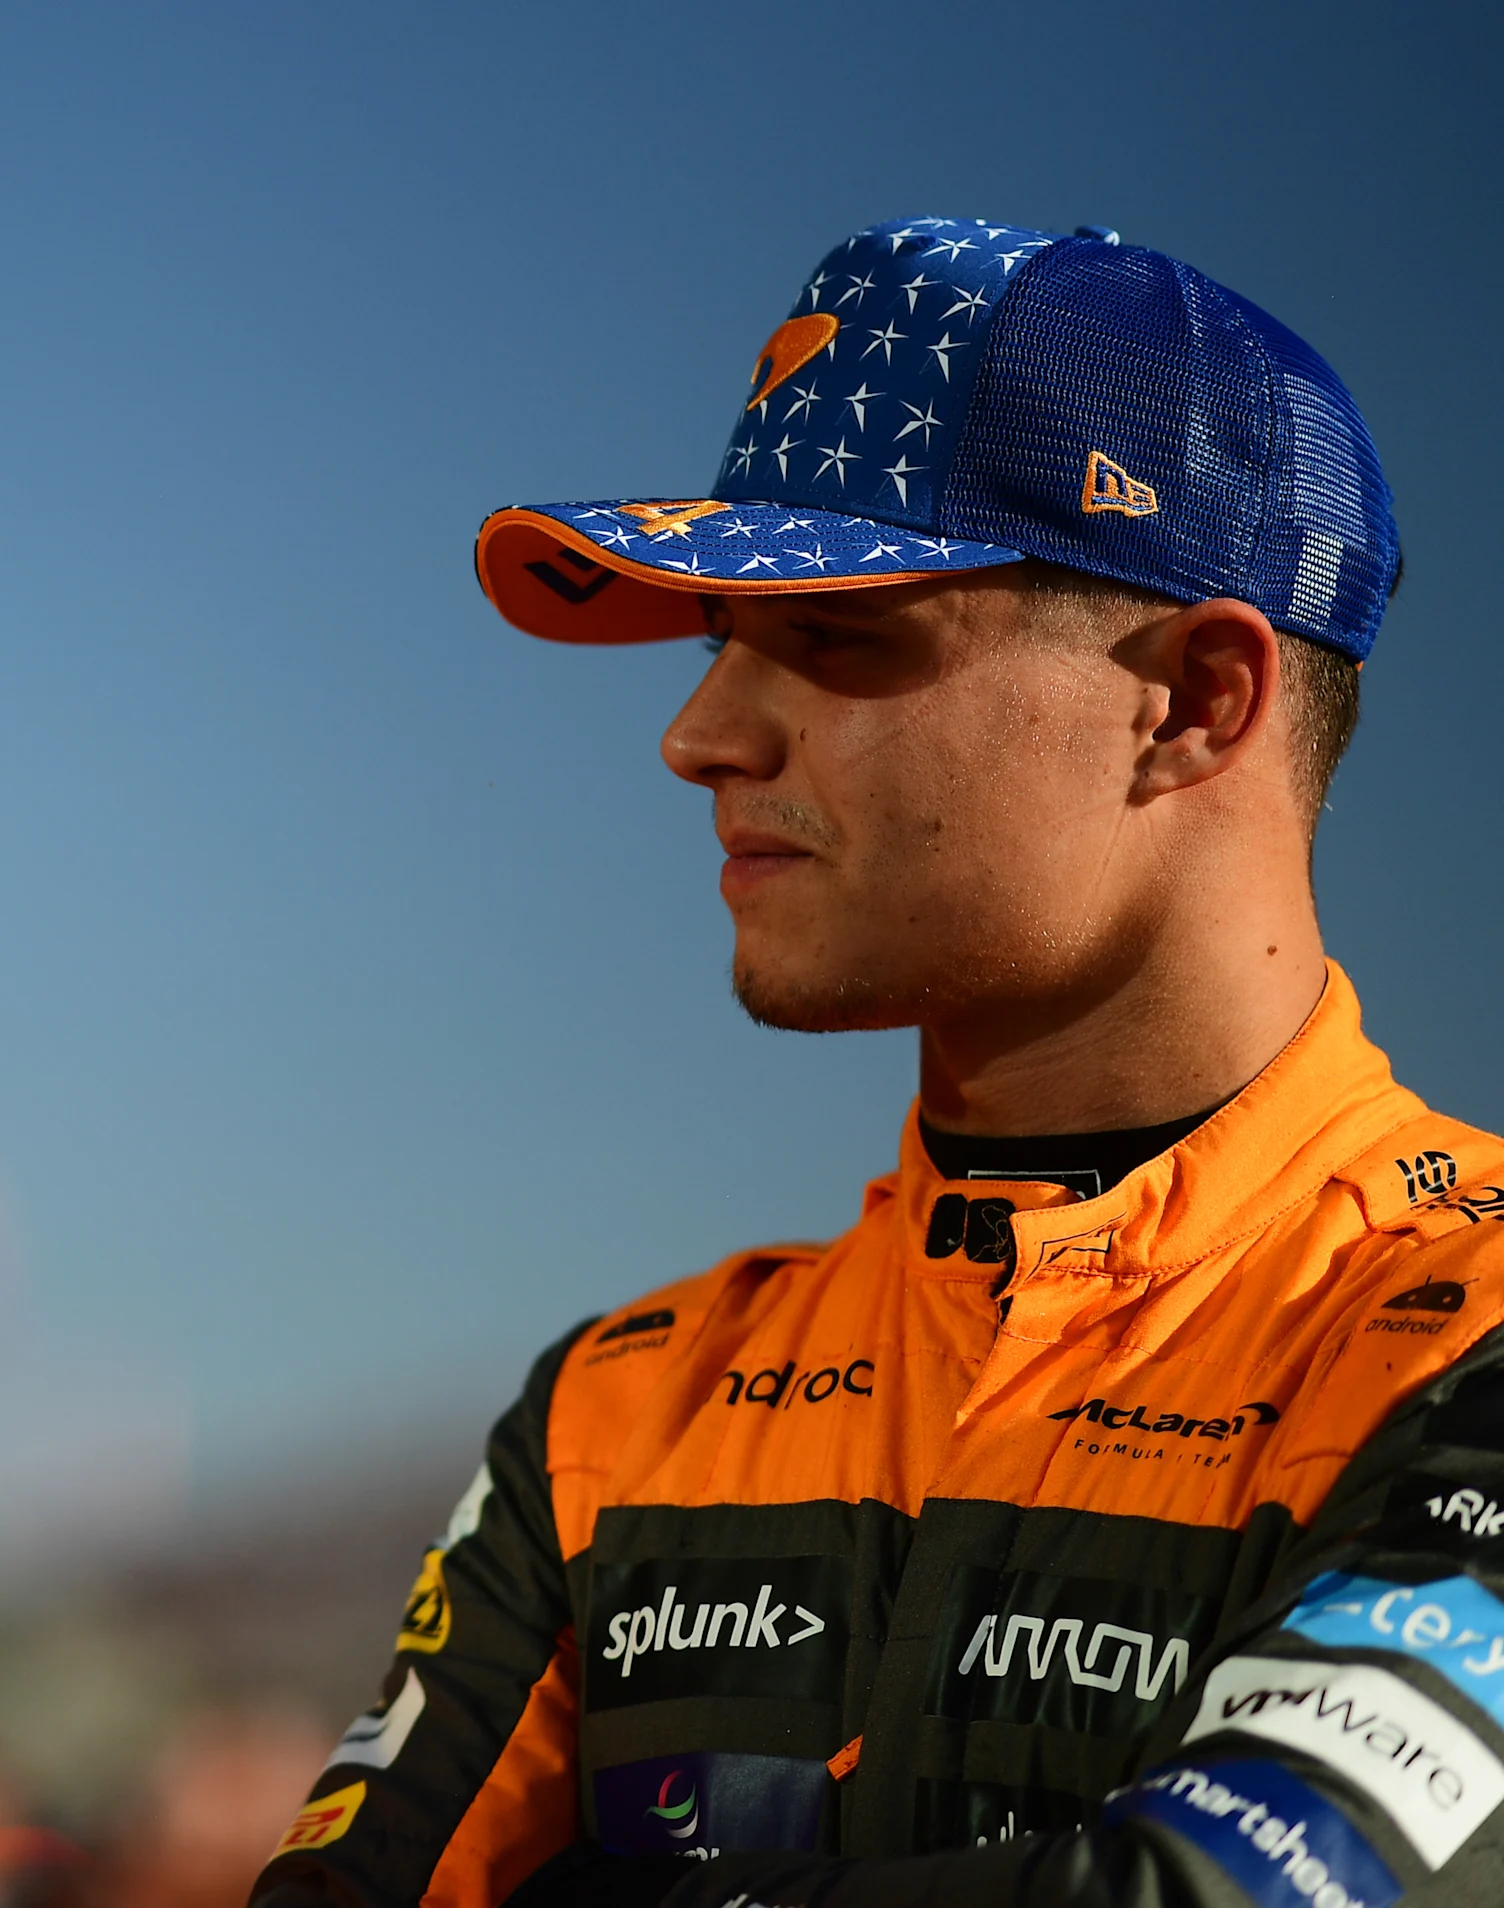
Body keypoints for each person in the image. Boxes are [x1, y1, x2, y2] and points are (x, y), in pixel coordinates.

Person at [252, 219, 1504, 1906]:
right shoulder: (618, 1409)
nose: (699, 735)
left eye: (835, 634)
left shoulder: (1464, 1322)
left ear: (1199, 701)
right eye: (718, 637)